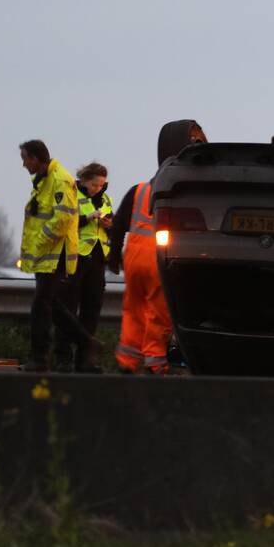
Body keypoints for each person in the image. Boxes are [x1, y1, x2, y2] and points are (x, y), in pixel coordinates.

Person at [108, 120, 207, 374]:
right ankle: (155, 362)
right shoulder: (179, 194)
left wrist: (112, 256)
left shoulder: (138, 191)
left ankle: (127, 361)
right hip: (158, 259)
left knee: (133, 309)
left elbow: (118, 225)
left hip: (133, 258)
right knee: (158, 313)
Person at [18, 140, 79, 372]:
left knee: (41, 304)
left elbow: (62, 220)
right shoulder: (44, 180)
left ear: (35, 158)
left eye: (25, 159)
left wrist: (40, 242)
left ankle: (40, 358)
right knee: (50, 304)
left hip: (54, 253)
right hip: (47, 254)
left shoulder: (59, 180)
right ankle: (86, 342)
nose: (24, 164)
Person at [61, 162, 113, 373]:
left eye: (101, 185)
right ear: (84, 179)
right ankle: (63, 359)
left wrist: (111, 224)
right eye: (94, 184)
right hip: (77, 258)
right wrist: (87, 218)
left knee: (92, 310)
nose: (97, 188)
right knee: (68, 309)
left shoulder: (106, 198)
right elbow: (64, 222)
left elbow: (113, 225)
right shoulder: (72, 194)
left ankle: (85, 360)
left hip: (98, 259)